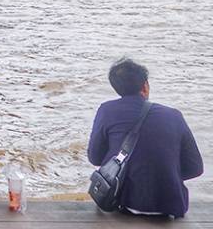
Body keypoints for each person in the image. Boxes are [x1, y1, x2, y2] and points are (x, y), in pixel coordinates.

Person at [87, 58, 203, 218]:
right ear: (145, 85)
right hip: (170, 206)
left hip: (123, 203)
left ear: (116, 87)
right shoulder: (174, 115)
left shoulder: (107, 110)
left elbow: (95, 157)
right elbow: (195, 168)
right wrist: (164, 174)